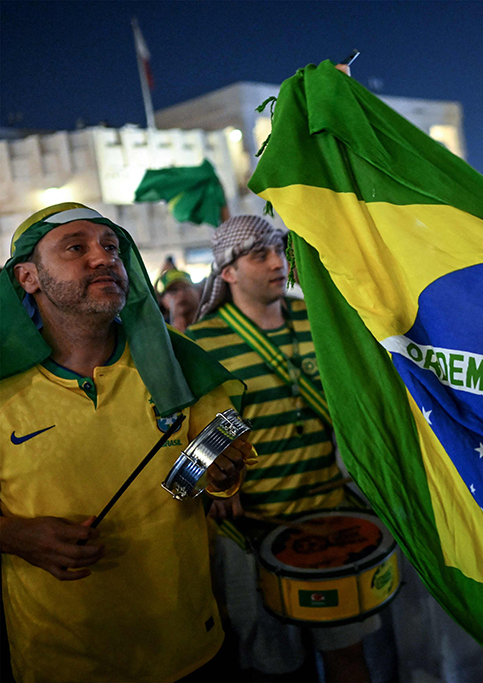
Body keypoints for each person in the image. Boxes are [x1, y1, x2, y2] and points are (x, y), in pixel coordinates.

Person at [0, 203, 251, 682]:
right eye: (76, 247)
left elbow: (225, 461)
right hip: (61, 660)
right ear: (27, 277)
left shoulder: (176, 365)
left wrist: (223, 473)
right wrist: (13, 536)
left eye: (112, 247)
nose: (104, 258)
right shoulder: (2, 388)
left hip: (189, 647)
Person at [187, 215, 378, 682]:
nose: (277, 263)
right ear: (227, 271)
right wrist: (215, 477)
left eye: (279, 251)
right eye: (260, 255)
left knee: (348, 658)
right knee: (273, 668)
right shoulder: (201, 342)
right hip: (250, 534)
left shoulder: (318, 322)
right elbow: (189, 433)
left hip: (330, 516)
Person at [156, 267, 200, 333]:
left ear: (197, 293)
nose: (181, 294)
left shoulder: (214, 321)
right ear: (163, 300)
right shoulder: (159, 330)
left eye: (185, 288)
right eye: (174, 290)